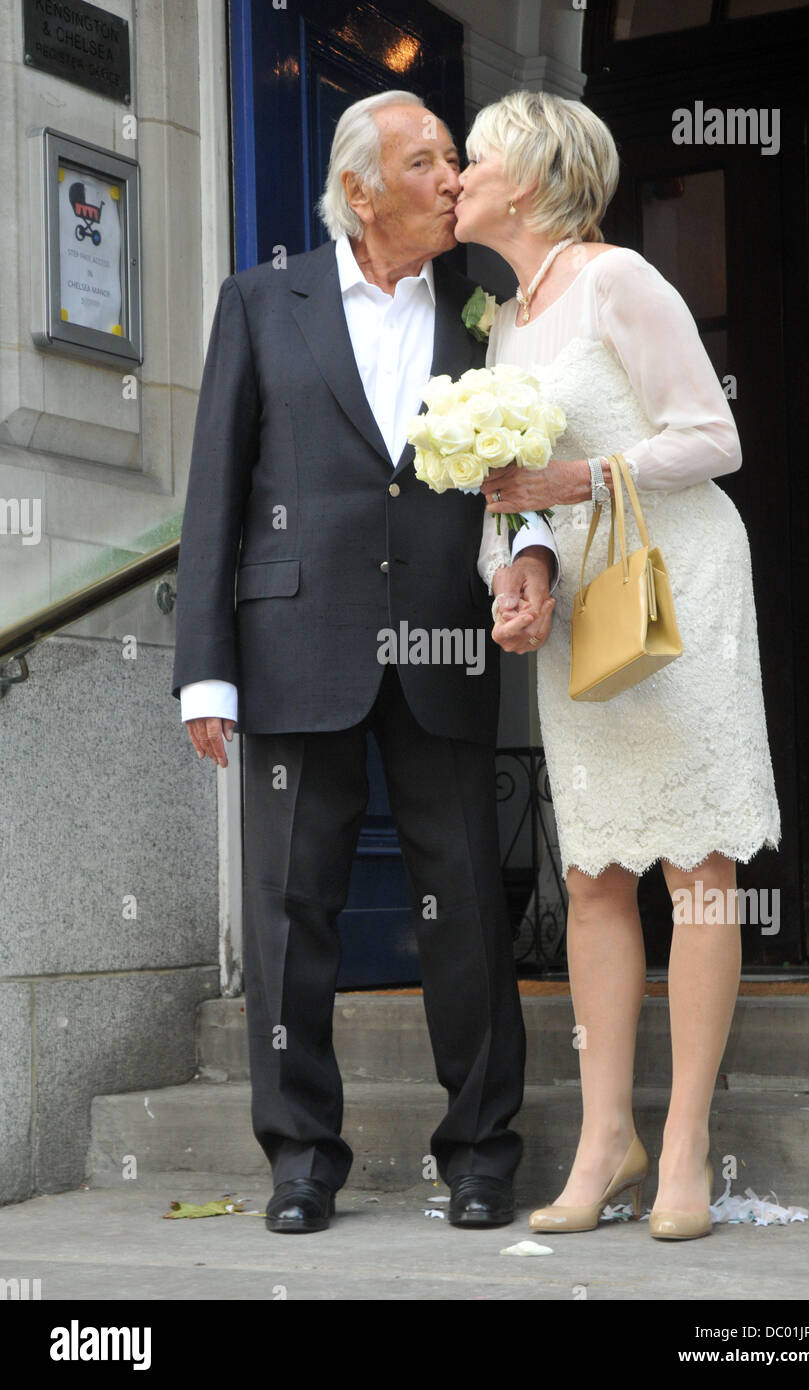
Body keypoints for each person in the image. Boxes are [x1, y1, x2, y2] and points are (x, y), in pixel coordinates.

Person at [171, 91, 559, 1234]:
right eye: (429, 160)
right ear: (360, 189)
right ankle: (299, 1160)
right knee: (293, 912)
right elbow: (214, 494)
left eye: (455, 159)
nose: (453, 178)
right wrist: (206, 669)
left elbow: (527, 458)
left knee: (468, 916)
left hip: (445, 640)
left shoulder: (489, 310)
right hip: (295, 647)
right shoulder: (259, 301)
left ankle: (482, 1149)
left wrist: (527, 551)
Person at [454, 91, 781, 1240]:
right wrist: (521, 569)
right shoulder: (503, 317)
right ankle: (606, 1136)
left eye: (475, 157)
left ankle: (682, 1139)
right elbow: (516, 489)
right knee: (593, 871)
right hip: (587, 599)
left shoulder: (618, 279)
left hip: (677, 589)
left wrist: (574, 486)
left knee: (695, 860)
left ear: (534, 176)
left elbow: (712, 435)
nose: (455, 174)